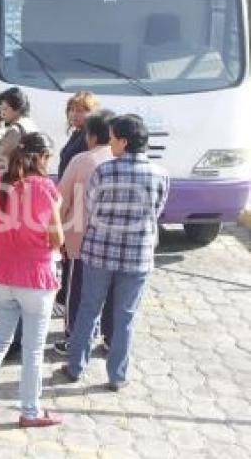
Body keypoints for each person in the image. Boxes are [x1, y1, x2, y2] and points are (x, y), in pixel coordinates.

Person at [0, 132, 64, 428]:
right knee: (33, 348)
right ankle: (30, 412)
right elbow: (56, 236)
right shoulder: (45, 188)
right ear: (43, 158)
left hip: (2, 276)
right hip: (36, 278)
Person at [62, 115, 169, 391]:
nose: (109, 143)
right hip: (137, 257)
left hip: (99, 252)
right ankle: (117, 376)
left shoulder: (104, 172)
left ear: (123, 141)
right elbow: (156, 212)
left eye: (112, 138)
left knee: (88, 309)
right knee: (126, 316)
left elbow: (91, 207)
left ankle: (75, 367)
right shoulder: (161, 174)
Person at [54, 110, 115, 356]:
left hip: (79, 237)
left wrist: (57, 231)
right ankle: (109, 337)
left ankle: (73, 338)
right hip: (111, 239)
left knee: (77, 290)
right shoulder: (118, 159)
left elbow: (61, 200)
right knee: (110, 291)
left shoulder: (81, 160)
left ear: (90, 135)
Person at [59, 91, 100, 178]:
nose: (73, 114)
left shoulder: (90, 137)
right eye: (71, 109)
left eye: (79, 111)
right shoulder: (77, 133)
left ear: (92, 113)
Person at [0, 87, 38, 167]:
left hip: (14, 177)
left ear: (17, 108)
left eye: (4, 109)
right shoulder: (31, 125)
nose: (1, 113)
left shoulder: (15, 131)